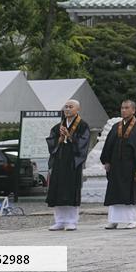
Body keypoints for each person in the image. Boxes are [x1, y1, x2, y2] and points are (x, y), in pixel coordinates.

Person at [100, 99, 136, 229]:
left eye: (127, 108)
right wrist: (106, 161)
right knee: (114, 191)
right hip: (115, 164)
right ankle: (113, 220)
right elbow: (108, 145)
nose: (123, 110)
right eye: (122, 108)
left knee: (130, 192)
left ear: (133, 110)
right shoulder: (115, 126)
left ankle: (132, 220)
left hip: (131, 165)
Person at [45, 99, 90, 231]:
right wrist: (59, 139)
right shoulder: (58, 127)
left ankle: (71, 221)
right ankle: (59, 221)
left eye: (71, 107)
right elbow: (52, 142)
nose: (67, 109)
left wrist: (69, 136)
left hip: (72, 163)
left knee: (70, 191)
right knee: (58, 191)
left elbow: (83, 143)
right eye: (66, 107)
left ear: (77, 109)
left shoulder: (82, 126)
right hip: (59, 162)